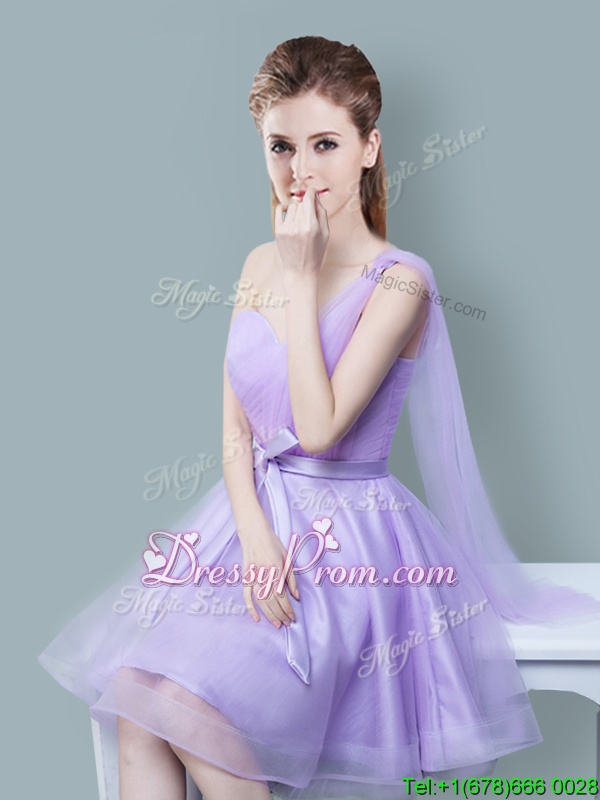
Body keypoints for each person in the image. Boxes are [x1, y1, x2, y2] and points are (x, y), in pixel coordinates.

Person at [38, 35, 600, 800]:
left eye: (324, 144)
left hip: (349, 543)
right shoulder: (255, 264)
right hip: (249, 526)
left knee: (190, 711)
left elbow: (320, 430)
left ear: (369, 149)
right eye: (281, 147)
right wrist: (256, 538)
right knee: (136, 697)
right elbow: (236, 432)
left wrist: (302, 280)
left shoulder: (401, 283)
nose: (300, 170)